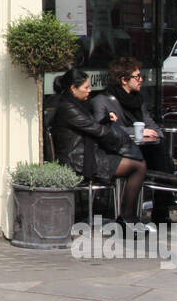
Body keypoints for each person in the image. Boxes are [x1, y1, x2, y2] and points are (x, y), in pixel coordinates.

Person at [50, 67, 150, 229]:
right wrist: (120, 139)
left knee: (136, 163)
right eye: (86, 88)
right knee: (138, 166)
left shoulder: (75, 104)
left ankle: (126, 217)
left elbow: (92, 125)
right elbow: (96, 130)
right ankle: (127, 217)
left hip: (86, 155)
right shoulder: (68, 108)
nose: (89, 91)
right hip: (78, 161)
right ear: (73, 88)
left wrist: (105, 120)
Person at [90, 58, 177, 222]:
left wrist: (157, 133)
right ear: (124, 80)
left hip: (139, 148)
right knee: (156, 156)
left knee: (159, 146)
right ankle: (162, 204)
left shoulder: (138, 99)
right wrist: (137, 132)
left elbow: (148, 120)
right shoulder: (102, 100)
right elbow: (103, 129)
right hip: (116, 150)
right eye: (137, 77)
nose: (141, 80)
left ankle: (161, 205)